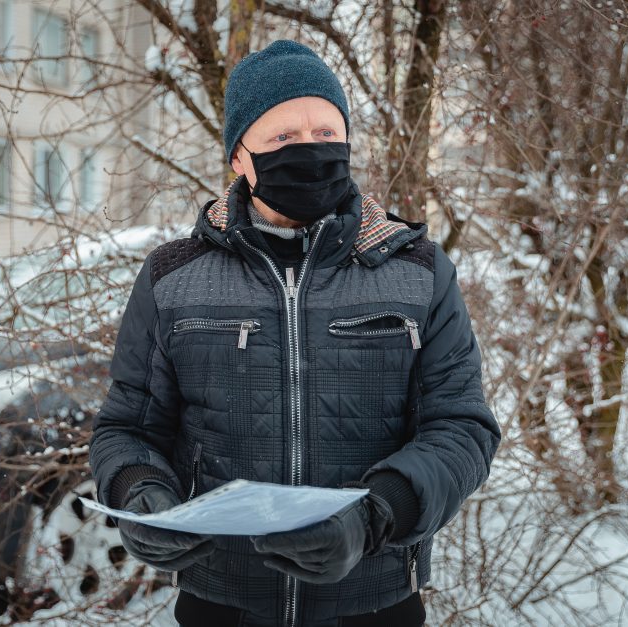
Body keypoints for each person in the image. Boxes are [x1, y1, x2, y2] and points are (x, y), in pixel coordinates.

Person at [88, 39, 501, 627]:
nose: (311, 149)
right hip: (222, 605)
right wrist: (138, 492)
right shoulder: (172, 278)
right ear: (239, 157)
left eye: (326, 131)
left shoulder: (419, 273)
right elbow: (125, 430)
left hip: (374, 602)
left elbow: (463, 429)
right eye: (283, 137)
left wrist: (375, 515)